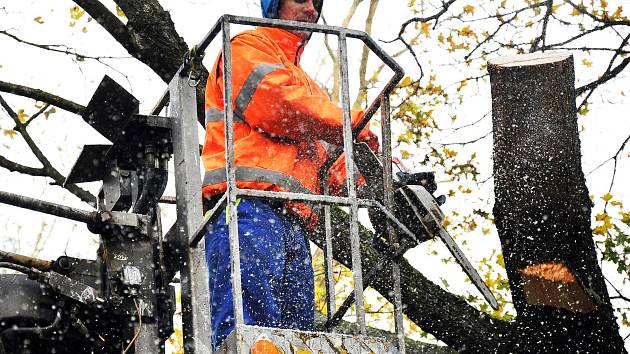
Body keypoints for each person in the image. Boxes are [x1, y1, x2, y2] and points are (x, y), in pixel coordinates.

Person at [201, 0, 379, 348]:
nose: (311, 9)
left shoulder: (308, 87)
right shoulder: (245, 47)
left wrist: (378, 175)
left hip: (293, 227)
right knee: (250, 337)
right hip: (249, 211)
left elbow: (330, 164)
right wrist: (350, 123)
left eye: (316, 2)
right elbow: (279, 104)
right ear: (275, 5)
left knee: (295, 341)